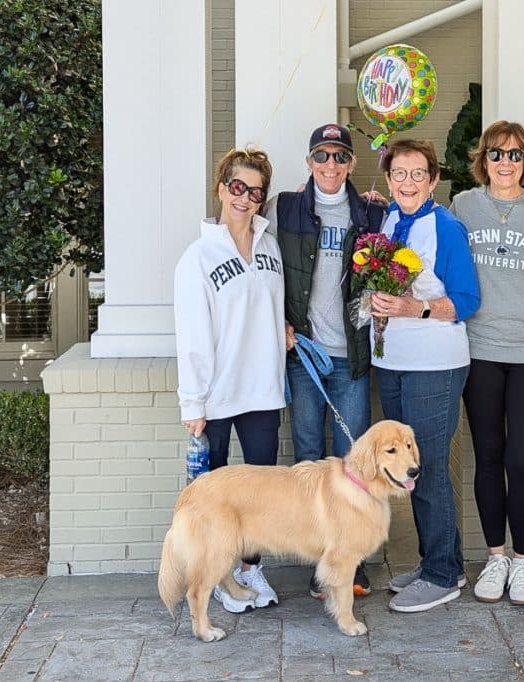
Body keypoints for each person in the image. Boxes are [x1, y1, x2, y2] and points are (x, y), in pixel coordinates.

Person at [266, 124, 385, 601]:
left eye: (339, 157)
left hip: (352, 358)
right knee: (310, 459)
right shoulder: (286, 208)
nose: (330, 165)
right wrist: (280, 323)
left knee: (355, 463)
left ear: (352, 163)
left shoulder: (372, 212)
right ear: (309, 160)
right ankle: (322, 560)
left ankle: (352, 562)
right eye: (322, 156)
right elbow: (263, 268)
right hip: (306, 357)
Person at [368, 139, 481, 613]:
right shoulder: (390, 219)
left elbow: (468, 300)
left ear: (434, 180)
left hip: (434, 365)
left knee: (426, 468)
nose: (407, 183)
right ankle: (439, 560)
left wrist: (416, 308)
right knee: (406, 471)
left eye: (418, 175)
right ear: (389, 178)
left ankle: (442, 577)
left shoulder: (447, 227)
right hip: (391, 362)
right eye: (399, 174)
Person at [449, 121, 524, 606]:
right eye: (496, 154)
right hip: (478, 351)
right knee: (489, 458)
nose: (505, 162)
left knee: (522, 461)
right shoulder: (464, 206)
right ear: (483, 160)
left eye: (515, 155)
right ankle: (496, 558)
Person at [174, 147, 286, 615]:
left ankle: (249, 569)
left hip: (262, 390)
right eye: (236, 187)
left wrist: (283, 331)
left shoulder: (270, 244)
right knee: (217, 498)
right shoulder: (197, 258)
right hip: (216, 396)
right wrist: (192, 403)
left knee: (260, 495)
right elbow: (193, 337)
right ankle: (218, 575)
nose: (244, 197)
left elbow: (271, 305)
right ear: (221, 189)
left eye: (254, 191)